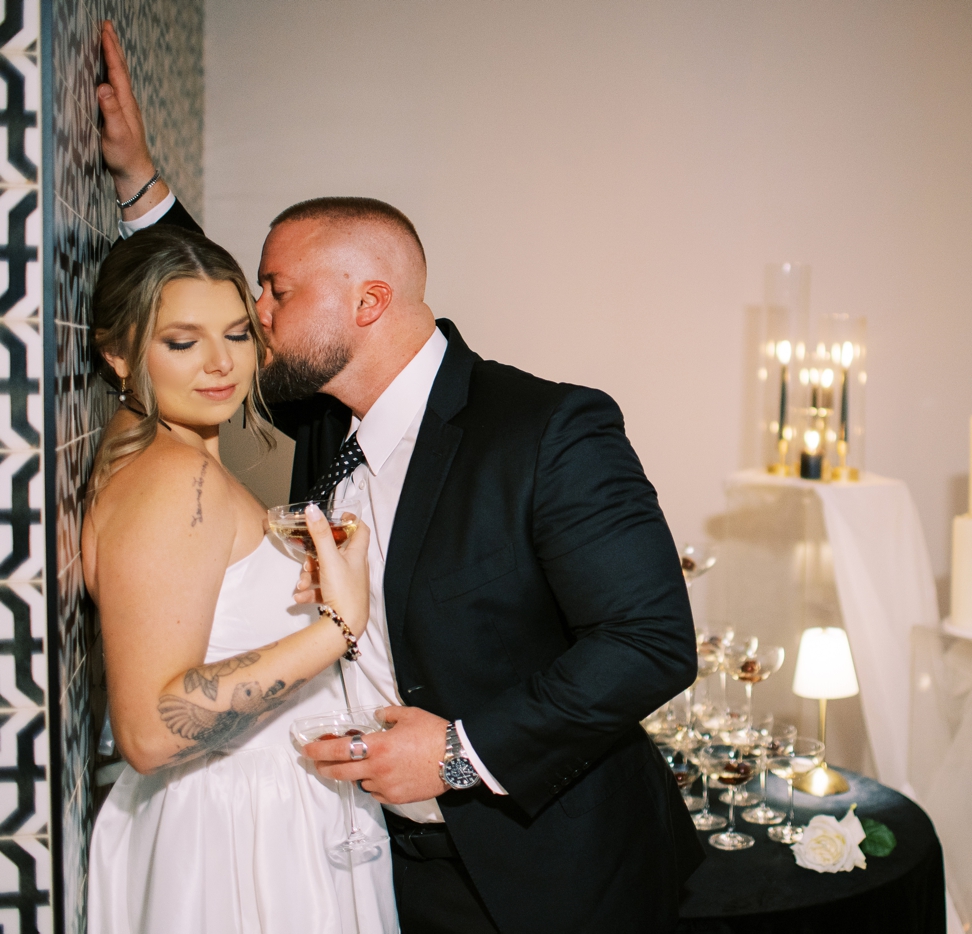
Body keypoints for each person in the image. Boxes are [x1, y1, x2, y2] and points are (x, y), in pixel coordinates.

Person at [97, 21, 704, 934]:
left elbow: (651, 642)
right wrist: (143, 188)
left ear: (366, 303)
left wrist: (461, 755)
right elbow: (194, 333)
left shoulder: (546, 429)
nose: (255, 319)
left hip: (552, 873)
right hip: (385, 866)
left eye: (276, 291)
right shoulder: (317, 418)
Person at [81, 223, 396, 934]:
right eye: (183, 341)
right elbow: (150, 731)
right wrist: (336, 628)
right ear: (119, 355)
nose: (222, 364)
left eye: (238, 334)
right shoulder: (174, 479)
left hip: (248, 812)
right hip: (231, 837)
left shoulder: (177, 459)